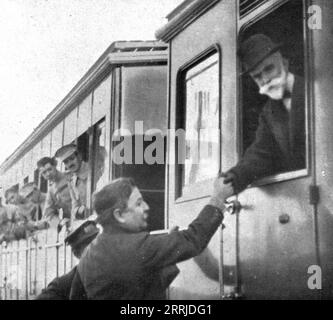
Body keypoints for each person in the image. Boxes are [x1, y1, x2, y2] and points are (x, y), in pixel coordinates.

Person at [70, 177, 232, 300]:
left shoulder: (88, 254)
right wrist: (218, 198)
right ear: (119, 215)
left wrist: (168, 248)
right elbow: (193, 238)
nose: (146, 208)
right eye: (139, 204)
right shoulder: (139, 246)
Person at [222, 34, 305, 194]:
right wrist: (232, 178)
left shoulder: (318, 89)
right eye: (257, 76)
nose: (265, 79)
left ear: (285, 63)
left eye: (269, 69)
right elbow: (259, 154)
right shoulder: (268, 113)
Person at [35, 219, 99, 300]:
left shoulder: (115, 274)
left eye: (100, 243)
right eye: (90, 247)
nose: (98, 250)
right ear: (78, 254)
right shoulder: (64, 285)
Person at [54, 144, 89, 222]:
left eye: (72, 159)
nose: (70, 164)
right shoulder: (72, 181)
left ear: (79, 156)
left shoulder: (93, 170)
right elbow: (75, 205)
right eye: (66, 162)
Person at [37, 157, 72, 221]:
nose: (48, 174)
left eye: (50, 169)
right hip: (71, 222)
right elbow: (47, 214)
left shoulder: (71, 176)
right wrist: (59, 224)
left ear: (55, 166)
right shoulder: (51, 190)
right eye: (44, 173)